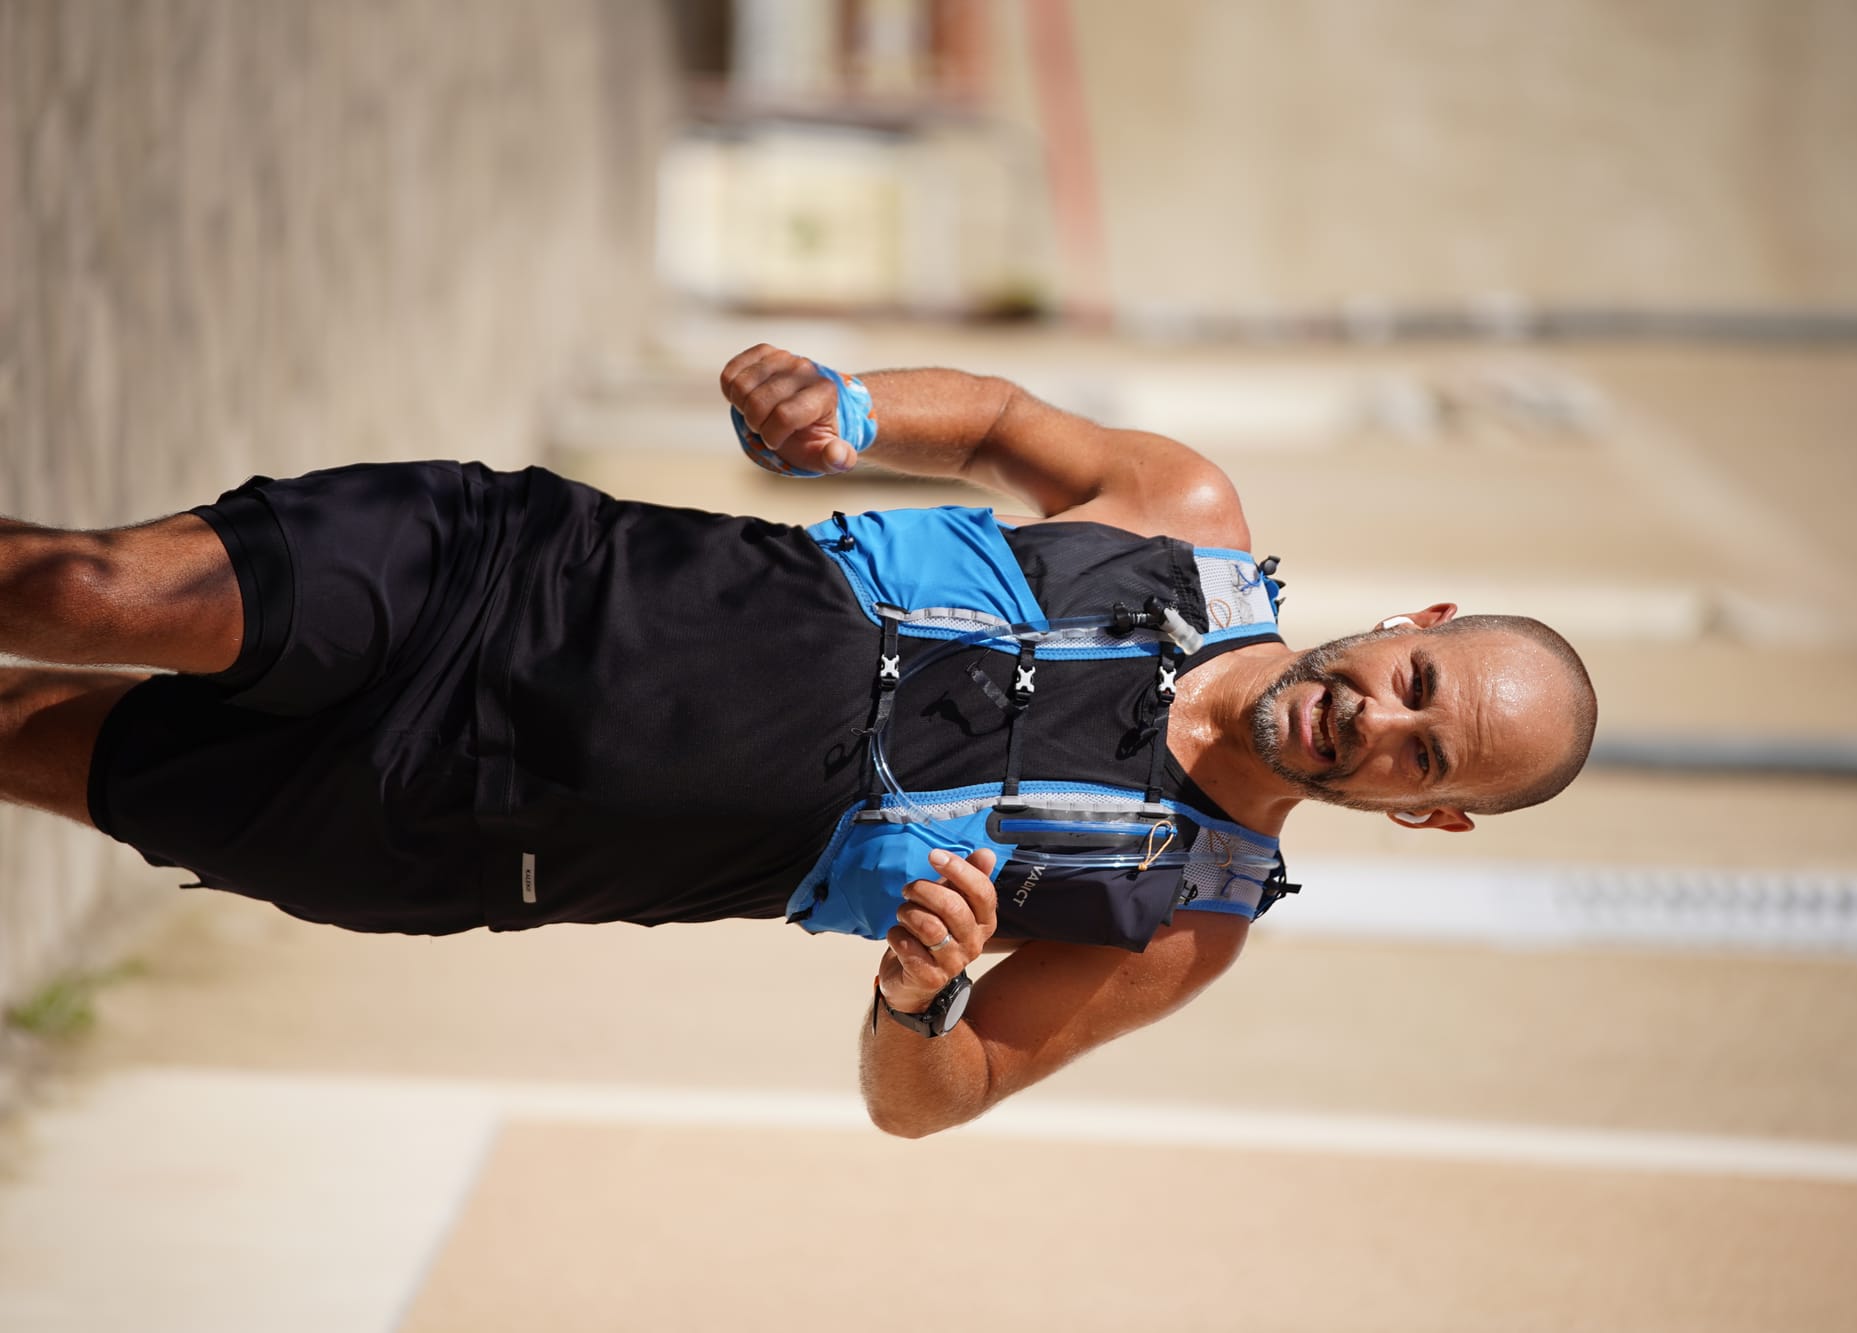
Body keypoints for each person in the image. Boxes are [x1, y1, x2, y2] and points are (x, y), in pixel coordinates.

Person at [0, 343, 1595, 1137]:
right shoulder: (1185, 517)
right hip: (508, 574)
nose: (1376, 720)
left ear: (1423, 818)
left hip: (453, 821)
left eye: (1421, 759)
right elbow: (992, 424)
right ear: (1419, 622)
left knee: (19, 740)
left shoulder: (1184, 916)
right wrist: (841, 403)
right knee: (78, 586)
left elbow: (936, 1098)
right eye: (1417, 686)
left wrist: (924, 994)